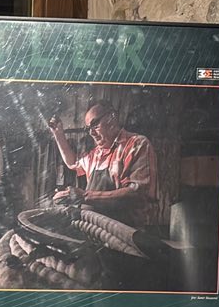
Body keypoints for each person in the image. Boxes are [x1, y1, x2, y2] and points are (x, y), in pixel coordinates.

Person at [45, 99, 159, 230]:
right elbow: (72, 163)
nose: (91, 133)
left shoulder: (137, 145)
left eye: (95, 124)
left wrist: (85, 196)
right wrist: (59, 135)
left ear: (111, 117)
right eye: (88, 128)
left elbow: (138, 193)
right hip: (94, 228)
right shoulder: (96, 155)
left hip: (125, 231)